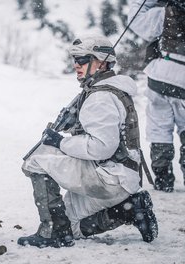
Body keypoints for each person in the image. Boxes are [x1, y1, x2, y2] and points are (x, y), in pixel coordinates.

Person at [18, 35, 158, 248]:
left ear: (100, 61)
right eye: (74, 59)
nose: (76, 65)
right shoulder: (110, 90)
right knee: (71, 227)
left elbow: (100, 148)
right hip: (121, 177)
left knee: (35, 160)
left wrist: (59, 142)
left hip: (108, 178)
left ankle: (52, 232)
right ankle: (130, 209)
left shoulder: (100, 97)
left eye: (82, 59)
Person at [128, 0, 185, 193]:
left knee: (159, 128)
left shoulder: (165, 13)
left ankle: (163, 179)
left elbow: (136, 19)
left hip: (160, 77)